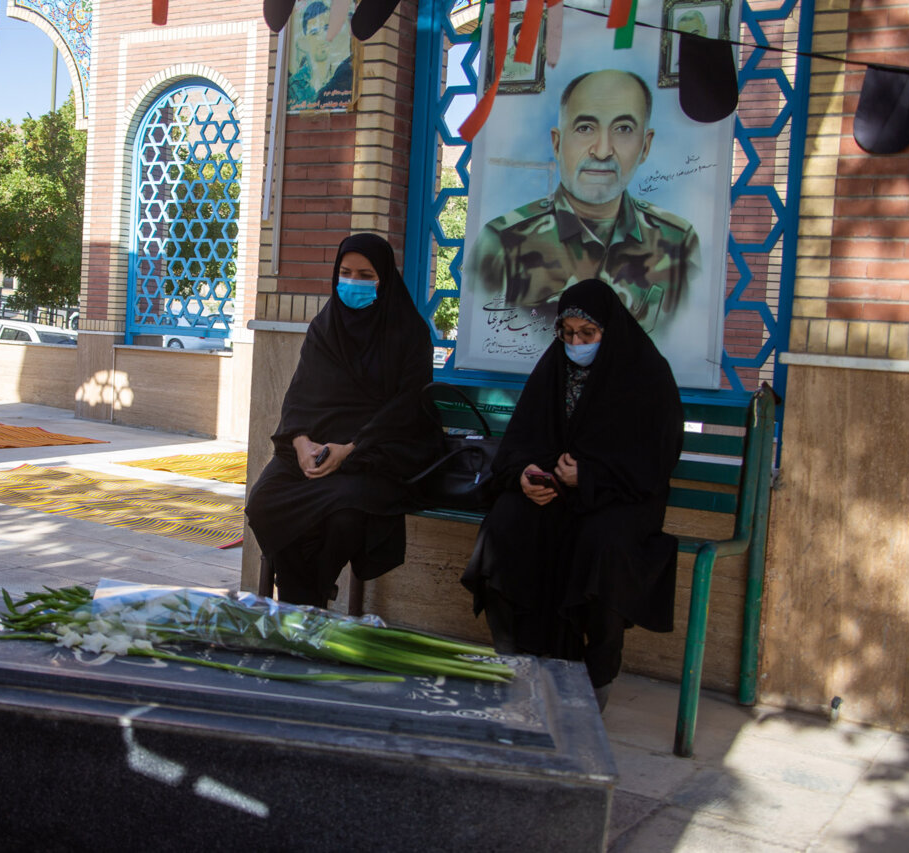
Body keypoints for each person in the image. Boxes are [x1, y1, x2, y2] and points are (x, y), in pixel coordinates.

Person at [460, 279, 683, 709]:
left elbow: (653, 460)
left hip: (620, 500)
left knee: (603, 547)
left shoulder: (647, 375)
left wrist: (591, 475)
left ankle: (595, 680)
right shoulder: (553, 369)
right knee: (505, 526)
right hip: (557, 495)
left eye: (587, 334)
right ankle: (520, 662)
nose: (575, 343)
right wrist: (526, 474)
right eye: (568, 333)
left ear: (609, 330)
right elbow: (521, 440)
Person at [246, 233, 440, 607]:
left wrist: (351, 448)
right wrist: (301, 444)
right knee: (265, 500)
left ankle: (306, 600)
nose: (353, 282)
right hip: (315, 450)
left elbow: (408, 407)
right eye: (346, 272)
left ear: (384, 278)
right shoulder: (326, 326)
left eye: (366, 275)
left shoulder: (409, 332)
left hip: (376, 456)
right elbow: (300, 395)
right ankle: (303, 599)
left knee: (346, 514)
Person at [470, 69, 701, 333]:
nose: (602, 151)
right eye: (585, 128)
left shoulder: (678, 242)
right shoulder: (503, 244)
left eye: (623, 129)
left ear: (645, 146)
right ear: (557, 143)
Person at [287, 0, 354, 110]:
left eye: (326, 29)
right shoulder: (293, 87)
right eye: (314, 33)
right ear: (304, 40)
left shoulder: (342, 78)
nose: (322, 38)